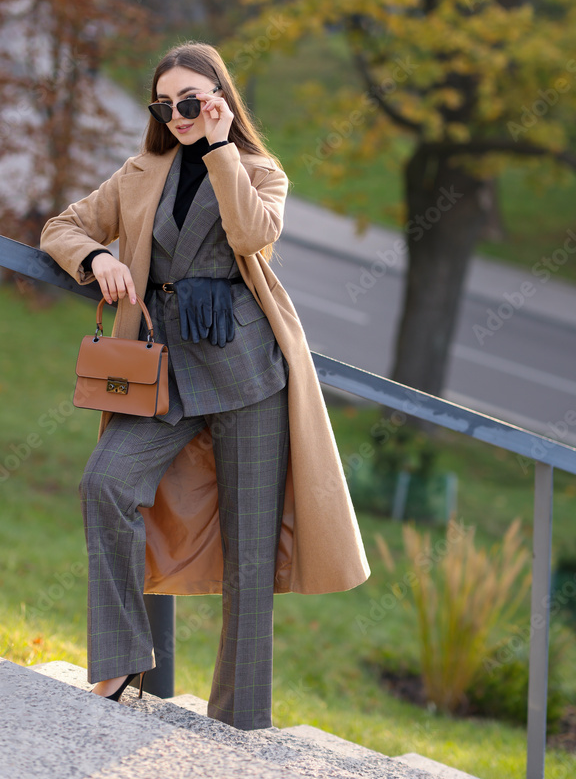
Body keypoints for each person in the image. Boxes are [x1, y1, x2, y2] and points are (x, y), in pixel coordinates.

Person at [40, 41, 370, 731]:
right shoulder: (140, 171)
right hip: (162, 373)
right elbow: (60, 226)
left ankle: (240, 719)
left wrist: (219, 148)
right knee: (106, 483)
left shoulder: (257, 169)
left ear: (217, 96)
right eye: (166, 104)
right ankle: (124, 656)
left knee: (250, 559)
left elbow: (252, 235)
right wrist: (97, 256)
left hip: (247, 375)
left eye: (189, 100)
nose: (177, 113)